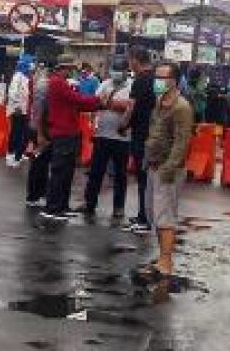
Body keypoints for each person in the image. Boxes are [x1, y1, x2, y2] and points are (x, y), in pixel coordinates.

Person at [39, 55, 108, 224]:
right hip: (63, 132)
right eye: (70, 68)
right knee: (60, 171)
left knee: (67, 172)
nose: (72, 71)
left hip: (68, 131)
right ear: (63, 68)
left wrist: (96, 102)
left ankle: (61, 206)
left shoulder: (61, 82)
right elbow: (77, 100)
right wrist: (99, 101)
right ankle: (53, 207)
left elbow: (77, 101)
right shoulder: (58, 82)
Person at [142, 61, 193, 283]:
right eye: (157, 77)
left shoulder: (182, 107)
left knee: (166, 217)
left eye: (162, 77)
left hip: (167, 169)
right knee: (153, 213)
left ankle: (166, 262)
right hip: (153, 165)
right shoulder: (159, 102)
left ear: (173, 80)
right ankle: (161, 256)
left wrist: (169, 168)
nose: (158, 81)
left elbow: (182, 142)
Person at [83, 56, 133, 221]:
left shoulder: (132, 86)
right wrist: (114, 104)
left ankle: (118, 207)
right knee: (96, 172)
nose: (116, 73)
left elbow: (130, 106)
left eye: (120, 70)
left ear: (127, 71)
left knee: (120, 175)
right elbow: (97, 102)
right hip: (102, 135)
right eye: (115, 69)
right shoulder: (105, 83)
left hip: (122, 137)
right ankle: (89, 203)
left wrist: (109, 103)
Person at [122, 49, 156, 233]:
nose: (129, 64)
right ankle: (143, 215)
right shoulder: (156, 80)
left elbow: (131, 108)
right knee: (146, 178)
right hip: (152, 134)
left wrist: (123, 126)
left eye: (130, 61)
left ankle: (144, 219)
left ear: (136, 60)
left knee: (143, 179)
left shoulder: (140, 80)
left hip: (141, 136)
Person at [24, 61, 52, 207]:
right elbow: (39, 111)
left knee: (39, 162)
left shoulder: (41, 83)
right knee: (39, 163)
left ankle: (37, 194)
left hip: (37, 128)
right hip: (40, 130)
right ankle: (35, 195)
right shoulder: (44, 86)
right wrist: (41, 133)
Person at [5, 55, 34, 167]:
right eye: (31, 63)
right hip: (18, 110)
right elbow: (12, 92)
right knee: (16, 133)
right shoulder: (18, 76)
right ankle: (10, 155)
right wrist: (16, 106)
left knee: (25, 133)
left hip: (26, 110)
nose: (33, 65)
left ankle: (19, 154)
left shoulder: (27, 76)